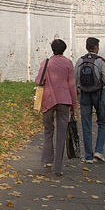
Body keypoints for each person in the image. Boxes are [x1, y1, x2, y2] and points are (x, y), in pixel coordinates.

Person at [35, 38, 78, 176]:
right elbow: (72, 84)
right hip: (65, 100)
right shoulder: (68, 63)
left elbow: (38, 81)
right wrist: (74, 104)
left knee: (48, 130)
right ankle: (58, 168)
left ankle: (48, 160)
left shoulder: (46, 63)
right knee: (61, 134)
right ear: (64, 49)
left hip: (48, 100)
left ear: (52, 49)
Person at [74, 37, 105, 164]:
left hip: (84, 94)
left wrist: (78, 89)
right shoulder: (100, 61)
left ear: (86, 47)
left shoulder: (80, 61)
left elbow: (74, 79)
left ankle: (88, 156)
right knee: (102, 121)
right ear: (96, 47)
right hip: (98, 94)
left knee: (86, 124)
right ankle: (99, 151)